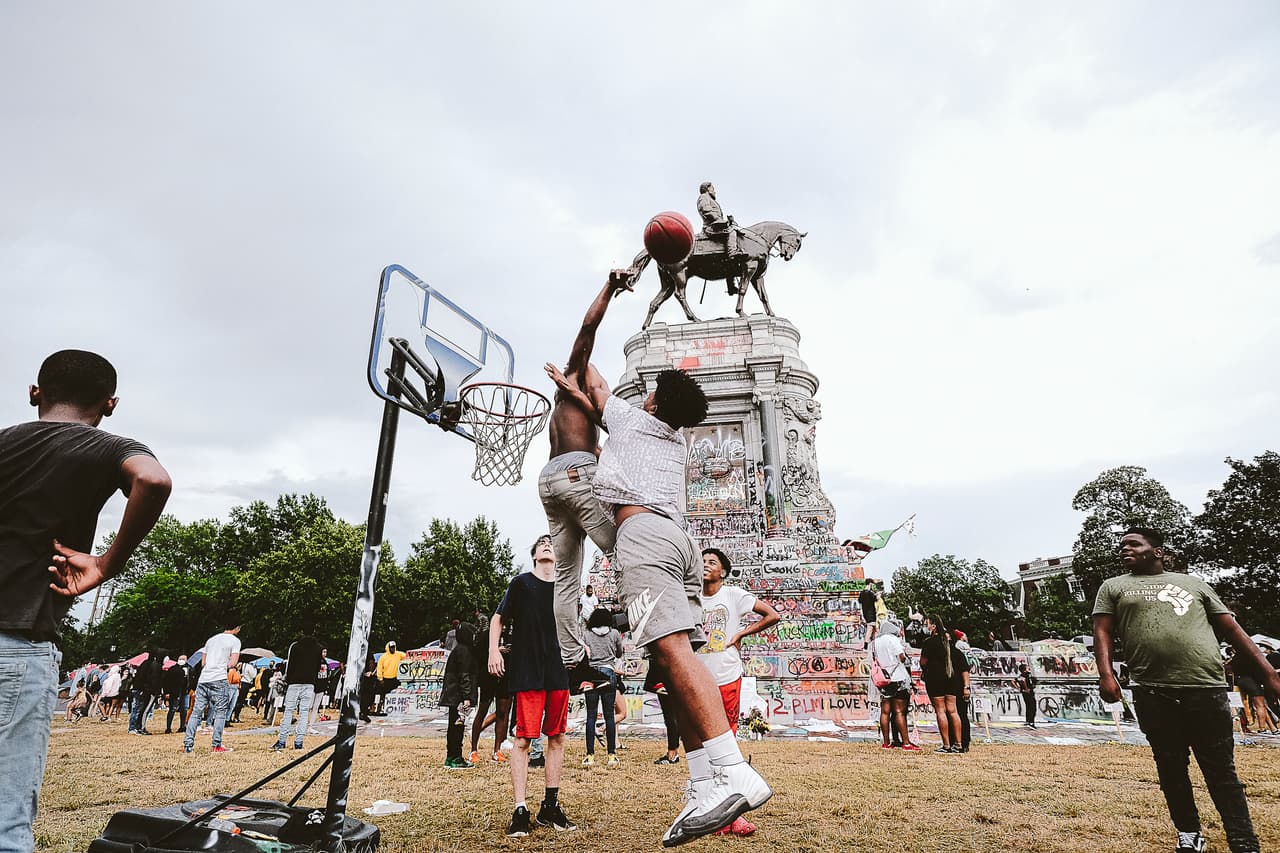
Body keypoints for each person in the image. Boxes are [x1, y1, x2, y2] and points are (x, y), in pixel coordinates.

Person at [547, 337, 772, 845]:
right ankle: (704, 784)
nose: (644, 395)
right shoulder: (670, 441)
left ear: (652, 405)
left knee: (673, 654)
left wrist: (597, 316)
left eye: (649, 392)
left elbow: (591, 375)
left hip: (645, 537)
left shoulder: (631, 419)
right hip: (679, 540)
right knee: (675, 664)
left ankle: (734, 769)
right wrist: (578, 395)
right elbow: (595, 400)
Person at [0, 349, 171, 853]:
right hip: (17, 644)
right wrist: (107, 564)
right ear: (110, 403)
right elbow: (153, 479)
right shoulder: (109, 447)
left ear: (35, 393)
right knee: (5, 823)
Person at [1094, 527, 1276, 853]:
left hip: (1204, 688)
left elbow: (1232, 630)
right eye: (1122, 545)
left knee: (1221, 770)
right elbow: (1102, 632)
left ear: (1158, 552)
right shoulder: (1114, 587)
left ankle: (1243, 841)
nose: (1125, 549)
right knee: (1171, 768)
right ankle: (1189, 835)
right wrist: (1106, 674)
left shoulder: (1193, 584)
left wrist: (1270, 674)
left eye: (1134, 544)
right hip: (1152, 691)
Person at [539, 273, 631, 695]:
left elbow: (599, 438)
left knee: (565, 579)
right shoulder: (575, 372)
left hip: (550, 481)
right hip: (576, 475)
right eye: (599, 386)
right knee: (625, 550)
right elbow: (588, 326)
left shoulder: (571, 407)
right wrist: (611, 287)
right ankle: (655, 639)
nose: (599, 390)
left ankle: (574, 665)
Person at [489, 536, 577, 837]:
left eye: (551, 541)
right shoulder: (521, 583)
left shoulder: (565, 586)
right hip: (528, 669)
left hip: (558, 669)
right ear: (534, 555)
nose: (547, 544)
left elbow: (571, 624)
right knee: (524, 740)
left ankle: (550, 807)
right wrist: (493, 650)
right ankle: (520, 808)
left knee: (557, 737)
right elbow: (497, 619)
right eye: (541, 543)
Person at [697, 547, 780, 837]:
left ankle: (731, 814)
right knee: (702, 747)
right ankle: (709, 808)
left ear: (723, 571)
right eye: (702, 561)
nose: (705, 565)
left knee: (727, 744)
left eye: (712, 562)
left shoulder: (733, 595)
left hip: (727, 676)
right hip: (697, 678)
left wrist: (742, 633)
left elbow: (772, 615)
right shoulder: (690, 596)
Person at [183, 617, 242, 754]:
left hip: (204, 679)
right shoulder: (235, 641)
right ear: (237, 628)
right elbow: (233, 663)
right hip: (219, 678)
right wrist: (224, 665)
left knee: (196, 712)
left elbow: (203, 663)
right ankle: (216, 745)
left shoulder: (211, 640)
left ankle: (188, 745)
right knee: (220, 712)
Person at [919, 614, 969, 753]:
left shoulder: (929, 642)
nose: (926, 626)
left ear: (933, 626)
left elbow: (923, 662)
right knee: (953, 711)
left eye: (927, 624)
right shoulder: (948, 642)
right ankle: (958, 744)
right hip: (951, 677)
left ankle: (946, 744)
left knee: (940, 710)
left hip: (935, 678)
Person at [581, 608, 624, 768]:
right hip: (609, 673)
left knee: (591, 716)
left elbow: (582, 654)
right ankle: (612, 755)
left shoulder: (586, 634)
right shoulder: (614, 633)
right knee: (609, 716)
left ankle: (590, 756)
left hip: (591, 675)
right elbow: (619, 653)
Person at [272, 627, 325, 751]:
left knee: (288, 711)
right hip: (309, 683)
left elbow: (290, 665)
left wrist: (288, 680)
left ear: (302, 632)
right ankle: (299, 741)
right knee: (304, 712)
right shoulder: (318, 648)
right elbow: (318, 666)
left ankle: (282, 740)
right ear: (314, 632)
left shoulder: (295, 646)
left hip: (294, 682)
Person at [469, 615, 513, 765]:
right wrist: (494, 650)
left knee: (502, 712)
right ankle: (473, 750)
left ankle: (497, 750)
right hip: (489, 676)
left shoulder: (512, 635)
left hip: (505, 676)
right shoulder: (487, 634)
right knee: (482, 711)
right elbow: (477, 653)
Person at [873, 619, 920, 752]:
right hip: (898, 677)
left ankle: (886, 742)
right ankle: (906, 743)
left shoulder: (876, 641)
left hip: (883, 678)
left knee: (885, 711)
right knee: (899, 711)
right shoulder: (893, 639)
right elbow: (902, 657)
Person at [440, 622, 478, 768]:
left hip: (453, 696)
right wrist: (467, 697)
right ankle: (456, 758)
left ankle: (451, 757)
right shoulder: (465, 651)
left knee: (453, 727)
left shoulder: (457, 650)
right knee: (458, 727)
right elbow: (464, 675)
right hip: (459, 697)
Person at [163, 654, 193, 734]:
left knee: (184, 709)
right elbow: (167, 681)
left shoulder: (190, 668)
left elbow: (192, 679)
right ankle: (168, 728)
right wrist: (167, 692)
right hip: (175, 692)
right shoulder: (172, 669)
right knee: (172, 709)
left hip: (185, 691)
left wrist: (191, 689)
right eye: (181, 659)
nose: (182, 660)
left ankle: (182, 726)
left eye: (184, 659)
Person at [374, 641, 405, 714]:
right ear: (388, 647)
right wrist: (380, 679)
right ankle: (379, 709)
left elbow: (406, 656)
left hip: (395, 678)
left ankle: (392, 709)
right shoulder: (383, 657)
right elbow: (379, 668)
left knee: (394, 694)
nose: (393, 648)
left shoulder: (398, 654)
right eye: (391, 647)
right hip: (385, 679)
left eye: (394, 647)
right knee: (382, 694)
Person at [1016, 663, 1038, 729]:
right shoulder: (1028, 675)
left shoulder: (1020, 676)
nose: (1029, 668)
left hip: (1024, 693)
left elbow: (1013, 681)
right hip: (1029, 693)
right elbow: (1025, 681)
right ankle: (1031, 722)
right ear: (1025, 669)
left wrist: (1019, 688)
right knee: (1033, 708)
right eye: (1027, 667)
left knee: (1028, 707)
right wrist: (1027, 688)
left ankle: (1028, 721)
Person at [858, 580, 880, 644]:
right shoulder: (870, 593)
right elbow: (876, 599)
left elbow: (860, 601)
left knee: (875, 630)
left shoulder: (862, 593)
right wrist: (879, 594)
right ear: (870, 584)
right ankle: (866, 646)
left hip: (866, 614)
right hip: (871, 615)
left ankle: (873, 644)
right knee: (870, 630)